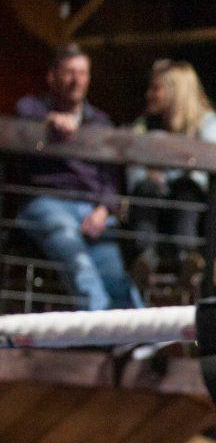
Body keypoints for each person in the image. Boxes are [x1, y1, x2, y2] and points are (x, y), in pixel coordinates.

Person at [14, 43, 139, 311]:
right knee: (77, 258)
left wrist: (104, 210)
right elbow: (23, 114)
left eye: (82, 73)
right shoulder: (32, 108)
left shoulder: (101, 122)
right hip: (47, 202)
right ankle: (103, 327)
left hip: (91, 208)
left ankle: (139, 335)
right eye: (69, 72)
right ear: (53, 76)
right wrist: (49, 120)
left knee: (114, 271)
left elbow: (110, 178)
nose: (76, 80)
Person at [126, 59, 216, 286]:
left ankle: (188, 257)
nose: (149, 95)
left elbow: (208, 170)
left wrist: (168, 175)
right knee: (146, 186)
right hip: (156, 206)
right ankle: (145, 258)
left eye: (156, 89)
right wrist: (150, 178)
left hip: (195, 208)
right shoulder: (144, 125)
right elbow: (134, 171)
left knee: (186, 187)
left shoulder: (207, 122)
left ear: (175, 92)